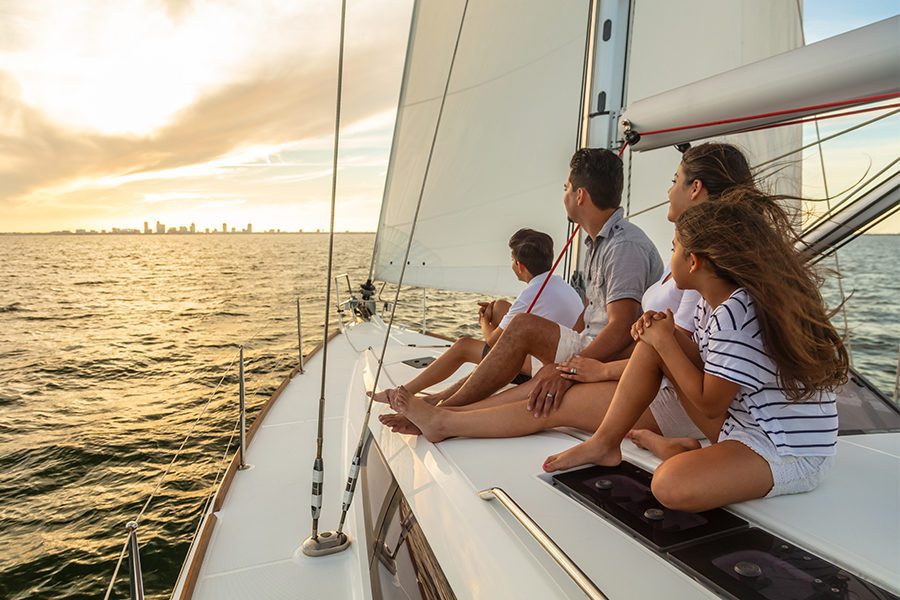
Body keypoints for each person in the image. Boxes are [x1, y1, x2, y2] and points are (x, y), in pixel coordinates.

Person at [381, 143, 777, 441]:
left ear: (695, 189)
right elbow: (638, 330)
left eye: (675, 180)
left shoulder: (670, 259)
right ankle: (442, 411)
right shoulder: (688, 262)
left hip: (662, 388)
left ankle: (444, 418)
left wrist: (586, 368)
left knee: (549, 394)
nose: (668, 188)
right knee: (540, 378)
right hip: (646, 371)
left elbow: (643, 334)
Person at [541, 197, 848, 512]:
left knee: (669, 485)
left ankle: (676, 452)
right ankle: (604, 443)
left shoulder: (737, 313)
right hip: (744, 424)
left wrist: (665, 343)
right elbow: (703, 364)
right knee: (655, 341)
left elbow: (711, 405)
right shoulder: (712, 301)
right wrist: (664, 333)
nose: (670, 256)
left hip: (787, 450)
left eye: (674, 248)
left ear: (694, 262)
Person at [415, 148, 663, 412]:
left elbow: (621, 325)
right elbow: (589, 314)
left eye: (566, 187)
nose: (564, 194)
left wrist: (566, 369)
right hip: (590, 343)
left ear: (580, 196)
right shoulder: (598, 245)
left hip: (607, 354)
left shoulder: (623, 246)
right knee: (514, 340)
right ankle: (443, 405)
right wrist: (559, 358)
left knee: (521, 326)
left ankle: (444, 409)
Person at [371, 228, 583, 404]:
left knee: (463, 346)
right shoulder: (559, 284)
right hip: (558, 351)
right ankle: (437, 397)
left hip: (545, 365)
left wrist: (484, 322)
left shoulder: (530, 294)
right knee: (499, 306)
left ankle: (401, 393)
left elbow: (492, 343)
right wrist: (496, 311)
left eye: (512, 259)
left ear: (519, 265)